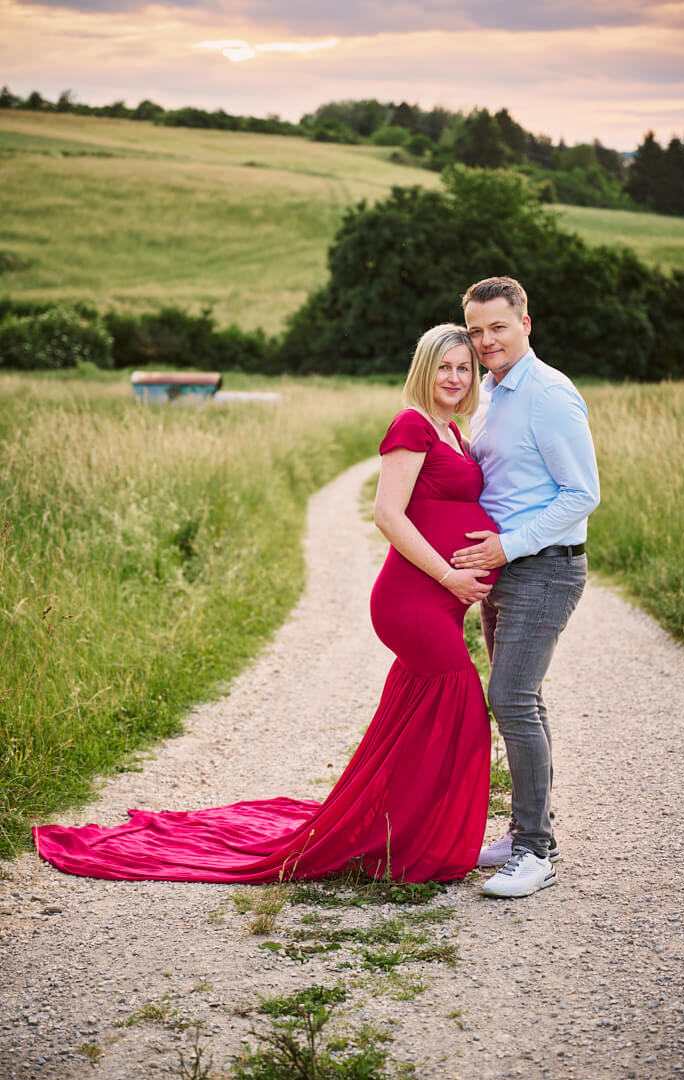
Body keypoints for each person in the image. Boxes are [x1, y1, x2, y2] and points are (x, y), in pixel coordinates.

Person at [34, 325, 499, 885]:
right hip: (415, 599)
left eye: (464, 368)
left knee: (416, 720)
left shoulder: (455, 431)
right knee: (462, 707)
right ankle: (421, 841)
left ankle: (398, 832)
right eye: (444, 367)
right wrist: (451, 573)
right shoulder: (412, 425)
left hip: (444, 603)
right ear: (424, 370)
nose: (454, 377)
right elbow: (387, 515)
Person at [451, 276, 600, 899]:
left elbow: (582, 493)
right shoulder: (489, 392)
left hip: (545, 567)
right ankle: (521, 833)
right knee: (520, 701)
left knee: (511, 698)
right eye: (477, 330)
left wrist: (508, 546)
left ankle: (539, 851)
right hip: (503, 573)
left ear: (526, 324)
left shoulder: (547, 394)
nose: (486, 341)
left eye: (498, 327)